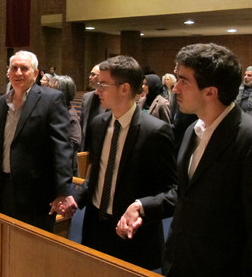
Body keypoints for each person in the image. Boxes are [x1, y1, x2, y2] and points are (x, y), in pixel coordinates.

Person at [117, 43, 252, 276]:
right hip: (179, 262)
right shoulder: (193, 129)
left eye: (184, 81)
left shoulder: (247, 139)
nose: (175, 88)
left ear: (210, 92)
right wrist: (142, 206)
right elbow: (186, 193)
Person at [71, 55, 177, 270]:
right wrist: (76, 198)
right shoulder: (99, 124)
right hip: (95, 226)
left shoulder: (155, 132)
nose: (96, 90)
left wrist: (141, 207)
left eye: (102, 84)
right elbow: (98, 175)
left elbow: (173, 192)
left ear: (124, 88)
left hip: (132, 235)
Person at [0, 51, 76, 233]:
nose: (18, 73)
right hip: (4, 186)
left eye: (24, 68)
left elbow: (61, 147)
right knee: (5, 240)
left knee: (32, 248)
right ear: (8, 72)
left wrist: (62, 191)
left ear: (36, 73)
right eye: (14, 68)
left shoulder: (51, 100)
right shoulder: (0, 102)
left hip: (36, 192)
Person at [48, 75, 82, 163]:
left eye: (51, 89)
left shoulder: (70, 115)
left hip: (64, 165)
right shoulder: (54, 110)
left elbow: (75, 142)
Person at [80, 64, 105, 150]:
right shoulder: (86, 97)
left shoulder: (109, 98)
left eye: (93, 74)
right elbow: (82, 123)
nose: (90, 77)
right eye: (90, 74)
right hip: (86, 147)